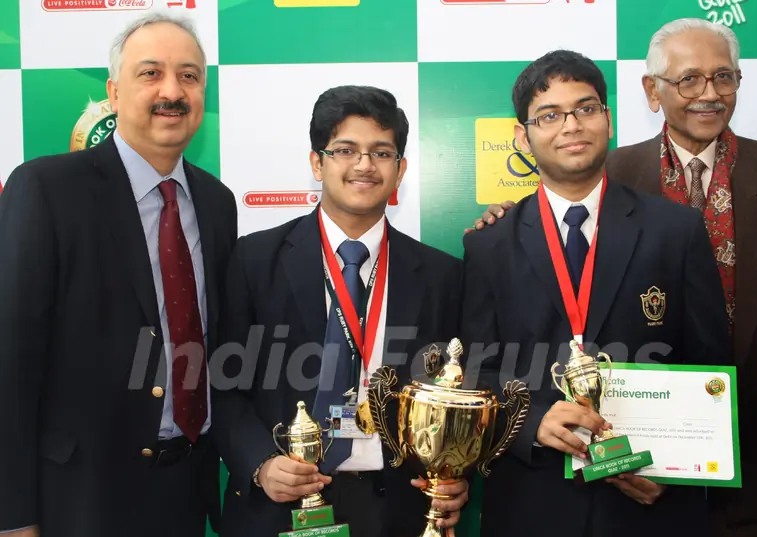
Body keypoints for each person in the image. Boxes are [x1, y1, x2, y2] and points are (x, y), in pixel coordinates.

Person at [470, 18, 757, 537]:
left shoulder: (677, 227)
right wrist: (533, 423)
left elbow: (707, 360)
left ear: (608, 118)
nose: (571, 126)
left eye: (585, 110)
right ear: (523, 134)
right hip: (533, 500)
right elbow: (478, 369)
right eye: (550, 115)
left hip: (653, 499)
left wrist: (672, 465)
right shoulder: (489, 244)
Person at [0, 12, 238, 537]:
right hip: (78, 498)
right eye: (150, 73)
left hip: (186, 489)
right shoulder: (45, 188)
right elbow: (10, 361)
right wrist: (14, 516)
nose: (171, 91)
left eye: (190, 76)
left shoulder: (217, 203)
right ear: (112, 90)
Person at [210, 85, 468, 537]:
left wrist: (453, 471)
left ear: (400, 168)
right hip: (283, 501)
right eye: (346, 149)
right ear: (317, 162)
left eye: (381, 152)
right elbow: (221, 387)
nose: (364, 165)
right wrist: (260, 465)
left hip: (400, 508)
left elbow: (458, 396)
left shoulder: (442, 274)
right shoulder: (254, 260)